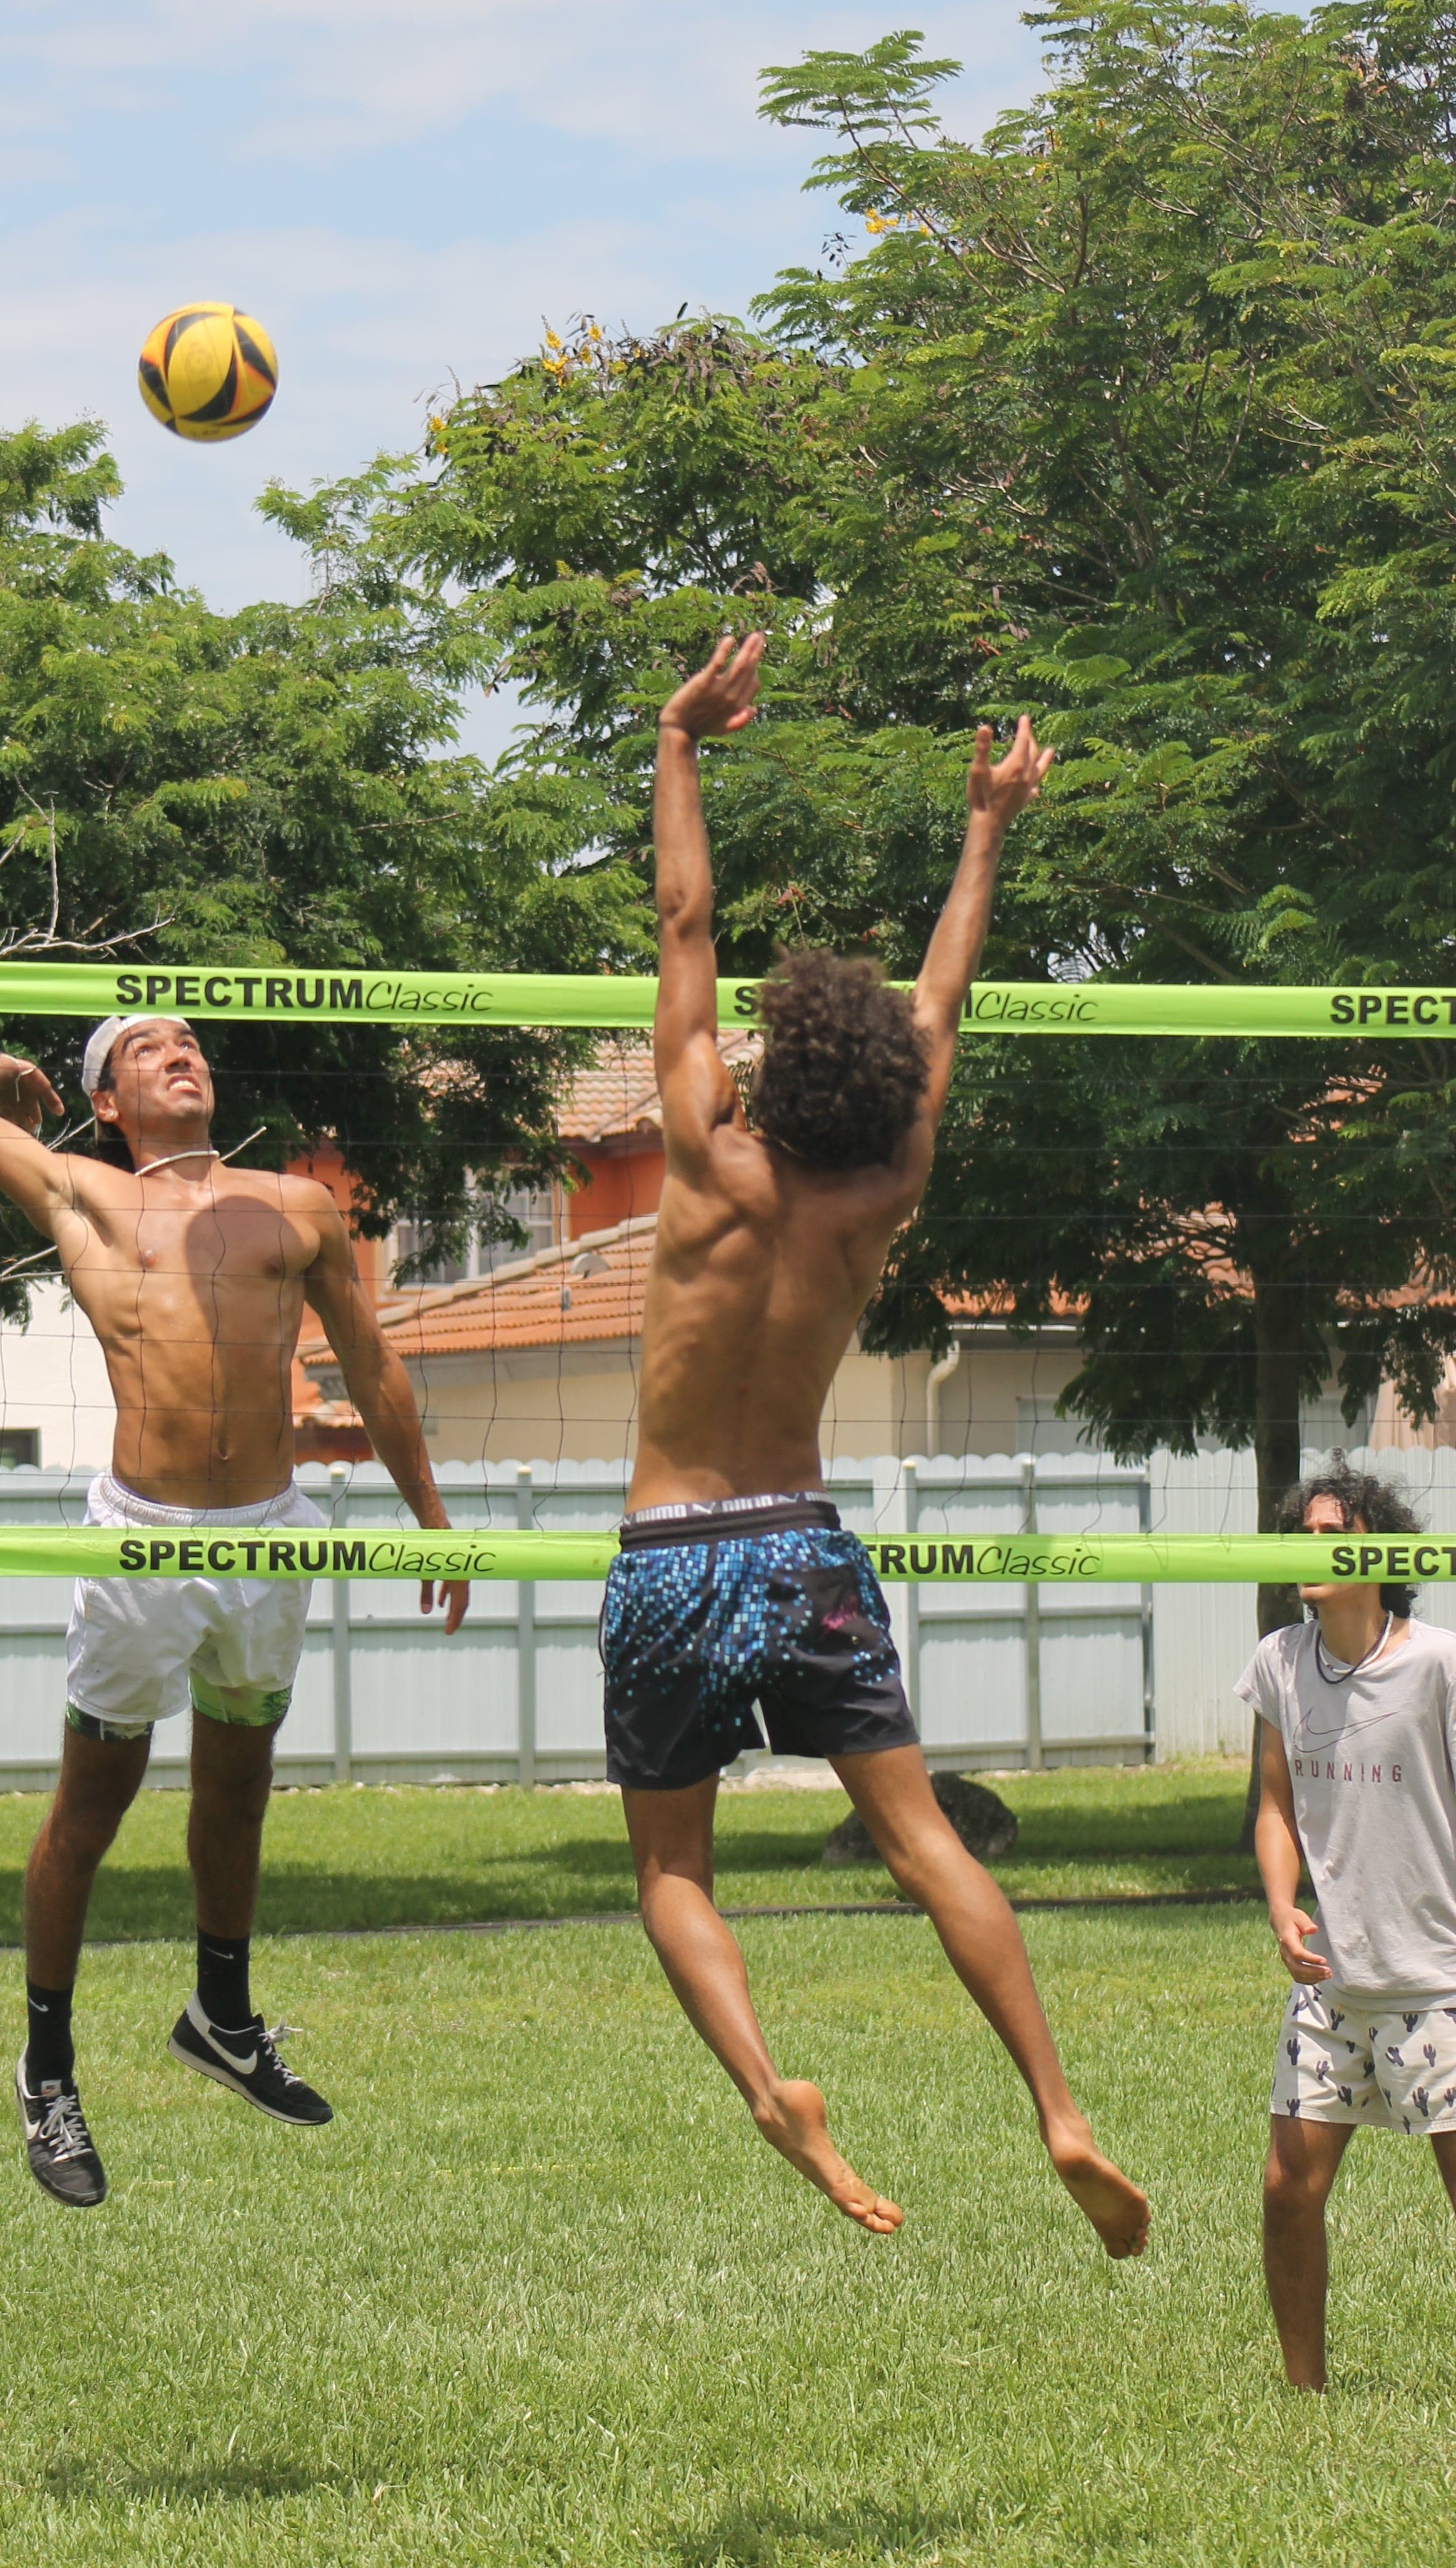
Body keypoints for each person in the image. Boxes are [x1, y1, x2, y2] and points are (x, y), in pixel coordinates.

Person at [601, 630, 1149, 2258]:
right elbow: (943, 996)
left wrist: (680, 745)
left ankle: (776, 2090)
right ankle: (1056, 2105)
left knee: (676, 1874)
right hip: (804, 1543)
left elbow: (686, 919)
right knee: (918, 1841)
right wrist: (989, 823)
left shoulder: (707, 1158)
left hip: (673, 1554)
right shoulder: (885, 1183)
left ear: (770, 1065)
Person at [0, 1017, 469, 2206]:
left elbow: (370, 1364)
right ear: (106, 1101)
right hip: (143, 1539)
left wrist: (433, 1518)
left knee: (238, 1789)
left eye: (189, 1040)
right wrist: (6, 1072)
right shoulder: (84, 1195)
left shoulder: (294, 1201)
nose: (180, 1053)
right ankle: (47, 2066)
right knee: (92, 1806)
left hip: (268, 1532)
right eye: (146, 1049)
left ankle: (221, 2014)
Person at [1241, 1453, 1456, 2390]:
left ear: (1380, 1552)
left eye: (1336, 1534)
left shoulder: (1438, 1664)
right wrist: (1284, 1906)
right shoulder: (1280, 1663)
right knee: (1289, 2192)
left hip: (1440, 1982)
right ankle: (1303, 2395)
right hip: (1334, 1986)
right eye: (1305, 1533)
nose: (1315, 1547)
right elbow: (1276, 1808)